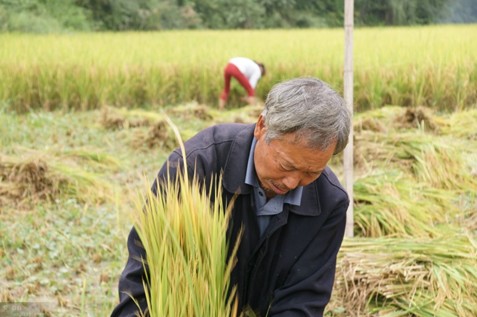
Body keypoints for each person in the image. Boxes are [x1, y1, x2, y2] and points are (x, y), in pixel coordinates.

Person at [111, 77, 351, 317]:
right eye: (286, 165)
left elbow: (303, 301)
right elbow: (146, 271)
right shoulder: (195, 168)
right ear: (261, 127)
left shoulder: (329, 203)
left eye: (311, 173)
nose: (292, 182)